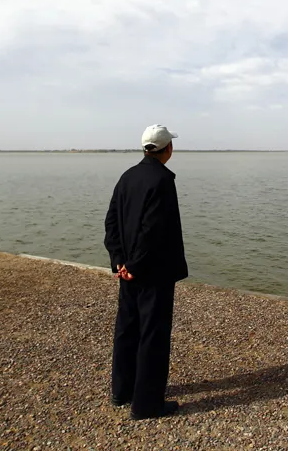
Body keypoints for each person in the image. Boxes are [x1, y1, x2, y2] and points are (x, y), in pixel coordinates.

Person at [104, 124, 188, 420]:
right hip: (153, 273)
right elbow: (153, 231)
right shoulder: (162, 180)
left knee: (127, 329)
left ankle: (121, 391)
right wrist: (134, 265)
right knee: (153, 335)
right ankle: (147, 404)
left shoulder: (127, 177)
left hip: (128, 271)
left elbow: (111, 222)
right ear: (168, 149)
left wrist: (119, 261)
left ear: (144, 149)